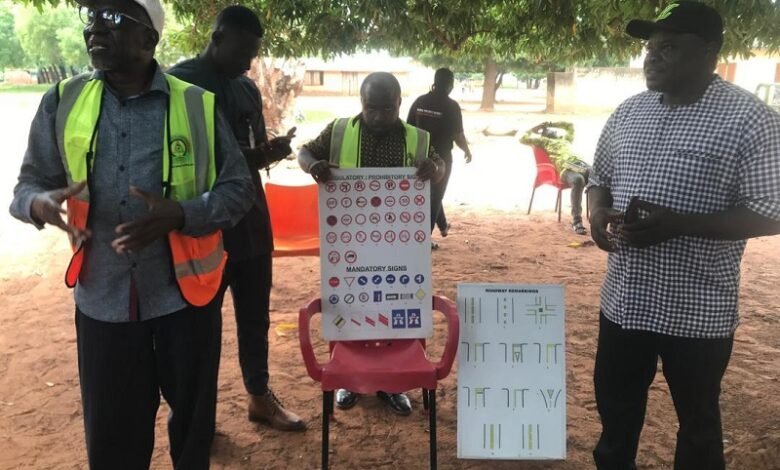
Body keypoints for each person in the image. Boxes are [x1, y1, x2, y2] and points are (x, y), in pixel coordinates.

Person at [9, 0, 256, 468]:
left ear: (149, 38)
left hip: (185, 302)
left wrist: (182, 214)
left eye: (116, 18)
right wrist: (38, 204)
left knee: (193, 437)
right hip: (103, 303)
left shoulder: (195, 103)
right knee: (112, 443)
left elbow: (239, 189)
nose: (98, 27)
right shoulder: (61, 101)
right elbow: (27, 185)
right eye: (94, 17)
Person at [587, 2, 780, 469]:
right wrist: (596, 215)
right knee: (616, 420)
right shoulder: (629, 112)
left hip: (697, 309)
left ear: (710, 52)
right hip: (625, 302)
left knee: (697, 428)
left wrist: (682, 225)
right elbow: (599, 177)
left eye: (668, 47)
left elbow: (770, 212)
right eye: (650, 48)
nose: (652, 58)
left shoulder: (751, 119)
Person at [167, 5, 304, 432]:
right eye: (244, 50)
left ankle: (259, 398)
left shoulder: (245, 90)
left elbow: (246, 157)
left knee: (254, 317)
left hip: (251, 225)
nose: (248, 62)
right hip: (203, 230)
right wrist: (252, 157)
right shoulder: (180, 84)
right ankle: (198, 419)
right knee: (198, 330)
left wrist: (271, 152)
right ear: (219, 36)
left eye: (254, 53)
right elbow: (185, 160)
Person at [297, 72, 445, 416]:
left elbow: (438, 165)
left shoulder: (418, 138)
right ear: (361, 104)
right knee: (352, 308)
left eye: (386, 108)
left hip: (401, 243)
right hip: (349, 240)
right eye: (371, 108)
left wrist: (432, 168)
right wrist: (313, 166)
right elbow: (304, 152)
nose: (378, 116)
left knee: (397, 311)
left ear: (399, 104)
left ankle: (392, 386)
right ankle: (349, 379)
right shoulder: (338, 131)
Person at [407, 68, 472, 245]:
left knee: (431, 193)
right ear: (450, 85)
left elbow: (408, 129)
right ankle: (423, 240)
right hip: (441, 159)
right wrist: (467, 150)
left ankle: (443, 226)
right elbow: (458, 135)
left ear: (435, 82)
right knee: (435, 196)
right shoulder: (451, 106)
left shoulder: (419, 101)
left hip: (418, 156)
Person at [520, 121, 591, 234]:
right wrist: (535, 128)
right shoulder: (544, 141)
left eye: (550, 129)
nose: (549, 130)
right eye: (545, 130)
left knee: (593, 174)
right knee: (582, 178)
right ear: (544, 136)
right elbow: (522, 138)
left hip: (580, 165)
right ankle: (577, 222)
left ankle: (598, 215)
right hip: (566, 168)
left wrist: (550, 123)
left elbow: (570, 125)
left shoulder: (566, 140)